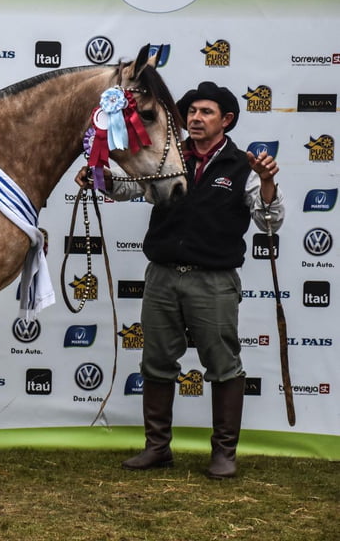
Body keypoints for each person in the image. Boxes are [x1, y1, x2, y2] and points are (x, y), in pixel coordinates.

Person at [75, 81, 284, 479]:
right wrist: (98, 176)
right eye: (191, 112)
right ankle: (157, 448)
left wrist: (269, 182)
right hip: (163, 277)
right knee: (156, 363)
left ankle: (224, 453)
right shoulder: (168, 155)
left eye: (206, 112)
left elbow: (269, 221)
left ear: (227, 120)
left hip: (214, 281)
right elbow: (129, 186)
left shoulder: (244, 166)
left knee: (223, 366)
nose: (196, 118)